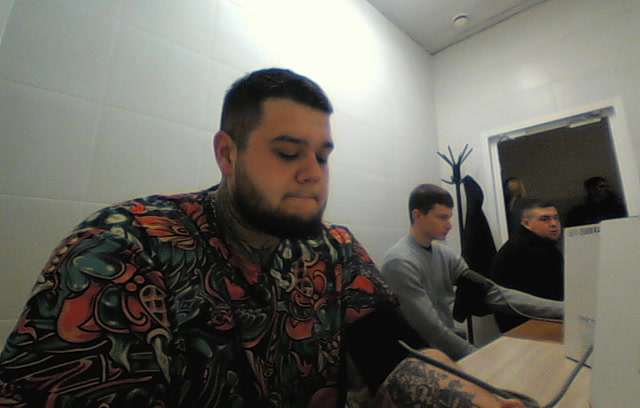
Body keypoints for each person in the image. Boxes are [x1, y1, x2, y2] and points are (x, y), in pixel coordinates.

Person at [0, 68, 527, 408]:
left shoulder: (335, 249)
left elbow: (388, 353)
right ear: (227, 154)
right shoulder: (125, 247)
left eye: (322, 156)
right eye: (288, 152)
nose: (313, 173)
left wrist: (477, 401)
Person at [381, 184, 564, 361]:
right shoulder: (400, 262)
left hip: (444, 350)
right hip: (421, 357)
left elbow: (492, 293)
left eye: (449, 217)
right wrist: (476, 357)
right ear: (418, 215)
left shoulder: (445, 255)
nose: (449, 225)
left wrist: (562, 308)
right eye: (442, 218)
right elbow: (430, 329)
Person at [491, 200, 564, 332]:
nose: (553, 224)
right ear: (526, 223)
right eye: (544, 219)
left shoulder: (540, 246)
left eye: (556, 218)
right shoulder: (525, 250)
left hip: (532, 321)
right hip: (528, 325)